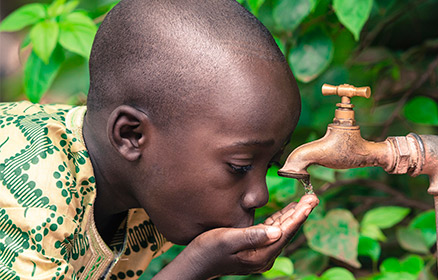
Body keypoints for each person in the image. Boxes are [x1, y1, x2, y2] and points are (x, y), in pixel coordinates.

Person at [0, 0, 319, 279]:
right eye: (239, 166)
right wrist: (197, 264)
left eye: (268, 165)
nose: (259, 196)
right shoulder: (28, 195)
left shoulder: (142, 193)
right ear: (131, 136)